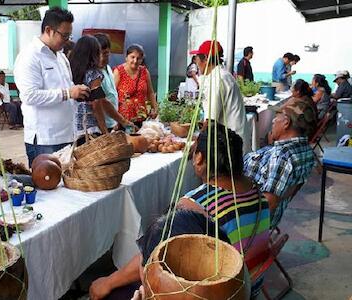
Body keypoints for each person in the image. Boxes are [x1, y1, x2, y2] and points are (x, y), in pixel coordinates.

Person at [89, 124, 269, 299]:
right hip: (250, 281)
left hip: (224, 291)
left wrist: (108, 282)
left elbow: (153, 258)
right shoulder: (256, 190)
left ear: (199, 158)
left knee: (115, 291)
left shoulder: (196, 204)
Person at [13, 7, 89, 166]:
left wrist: (77, 91)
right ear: (48, 30)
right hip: (44, 139)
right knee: (47, 189)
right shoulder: (30, 56)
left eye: (69, 35)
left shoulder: (61, 57)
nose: (67, 40)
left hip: (67, 135)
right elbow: (30, 96)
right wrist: (68, 93)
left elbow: (67, 89)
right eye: (64, 35)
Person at [244, 98, 317, 228]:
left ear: (286, 123)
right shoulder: (305, 151)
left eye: (276, 116)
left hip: (247, 220)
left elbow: (269, 204)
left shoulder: (283, 157)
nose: (273, 120)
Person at [69, 34, 134, 143]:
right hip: (91, 130)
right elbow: (97, 104)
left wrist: (123, 121)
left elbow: (102, 100)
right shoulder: (94, 74)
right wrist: (105, 133)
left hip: (76, 129)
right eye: (98, 52)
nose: (101, 57)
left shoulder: (73, 71)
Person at [190, 40, 247, 145]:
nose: (196, 62)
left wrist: (196, 145)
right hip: (231, 137)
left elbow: (211, 121)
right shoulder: (221, 74)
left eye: (197, 58)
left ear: (206, 58)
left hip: (230, 142)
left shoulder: (216, 79)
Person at [94, 33, 133, 132]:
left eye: (106, 53)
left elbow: (111, 94)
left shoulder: (108, 68)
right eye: (99, 54)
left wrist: (115, 122)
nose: (102, 58)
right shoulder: (94, 74)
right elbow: (101, 102)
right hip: (100, 127)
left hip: (111, 122)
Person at [113, 44, 158, 127]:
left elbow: (150, 92)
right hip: (123, 120)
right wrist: (113, 119)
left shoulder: (144, 72)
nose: (135, 61)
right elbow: (112, 95)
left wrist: (155, 109)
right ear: (126, 57)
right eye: (132, 57)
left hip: (141, 118)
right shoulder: (119, 71)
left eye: (138, 58)